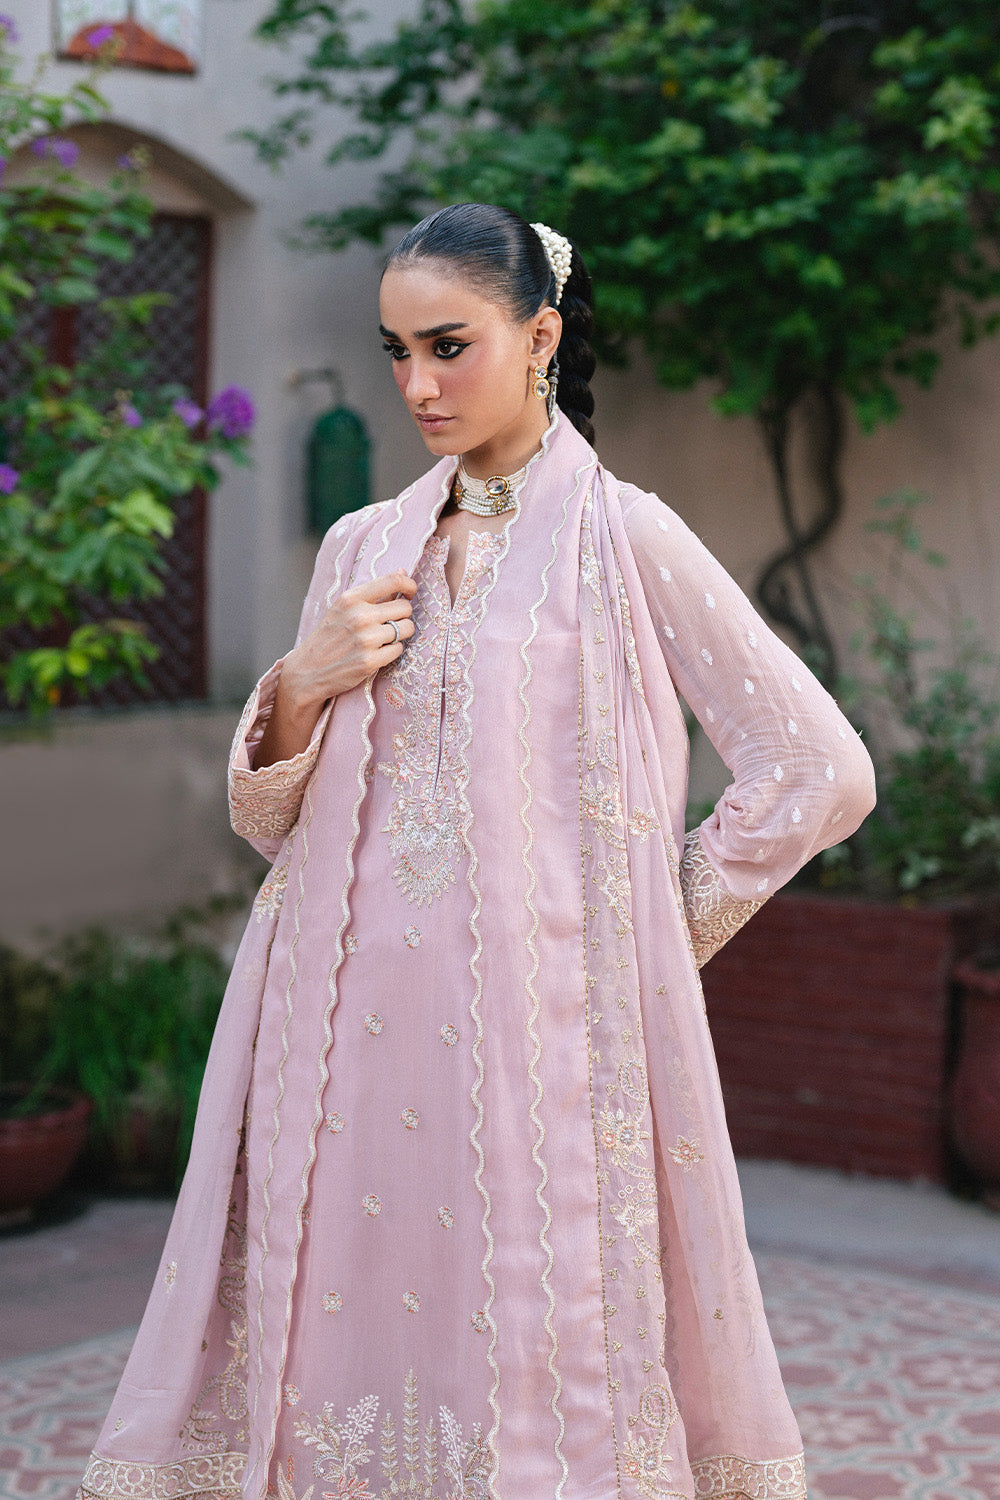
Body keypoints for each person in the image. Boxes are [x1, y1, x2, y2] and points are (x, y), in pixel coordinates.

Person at [79, 203, 875, 1500]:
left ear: (541, 336)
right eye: (397, 351)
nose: (417, 386)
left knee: (531, 1367)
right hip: (336, 1036)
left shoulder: (625, 540)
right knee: (341, 1354)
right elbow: (274, 822)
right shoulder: (361, 547)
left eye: (449, 346)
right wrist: (303, 681)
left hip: (530, 1041)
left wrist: (643, 931)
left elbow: (819, 770)